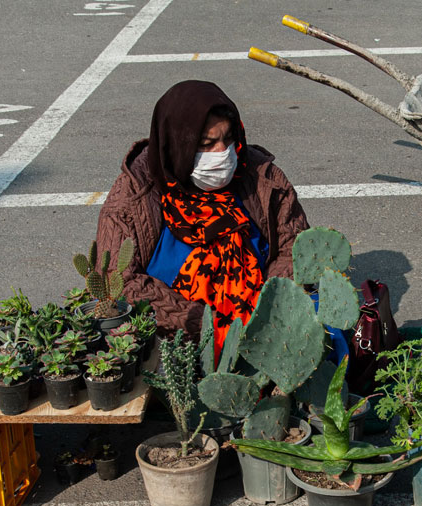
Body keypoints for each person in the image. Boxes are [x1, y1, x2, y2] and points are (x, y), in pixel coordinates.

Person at [95, 80, 310, 353]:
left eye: (228, 138)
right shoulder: (134, 194)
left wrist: (266, 311)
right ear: (178, 146)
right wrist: (205, 326)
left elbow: (295, 246)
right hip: (175, 344)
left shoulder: (263, 177)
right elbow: (120, 281)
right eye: (207, 144)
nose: (222, 153)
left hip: (263, 329)